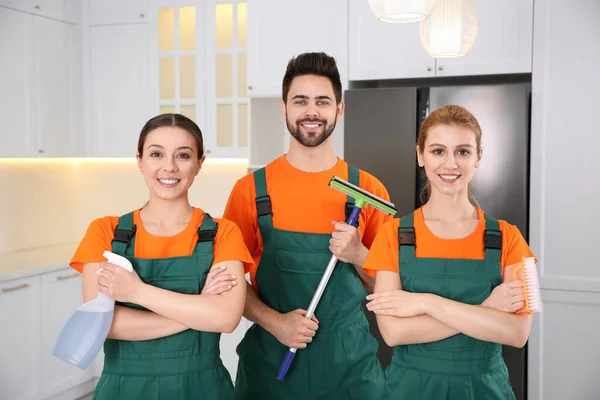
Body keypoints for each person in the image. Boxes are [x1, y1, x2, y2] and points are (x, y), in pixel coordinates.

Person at [223, 52, 391, 399]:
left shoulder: (368, 191)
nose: (311, 111)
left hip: (351, 370)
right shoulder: (251, 192)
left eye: (322, 101)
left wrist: (359, 254)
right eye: (300, 101)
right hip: (270, 369)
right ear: (284, 108)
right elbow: (229, 281)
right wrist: (275, 322)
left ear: (339, 110)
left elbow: (389, 290)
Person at [69, 113, 253, 400]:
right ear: (140, 161)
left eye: (183, 155)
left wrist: (136, 292)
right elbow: (101, 324)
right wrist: (198, 310)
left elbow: (226, 318)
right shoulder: (105, 232)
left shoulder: (222, 233)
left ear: (199, 163)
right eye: (157, 154)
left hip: (202, 388)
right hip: (124, 390)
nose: (169, 167)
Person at [363, 104, 536, 400]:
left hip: (485, 390)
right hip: (409, 390)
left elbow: (519, 334)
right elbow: (393, 333)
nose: (450, 164)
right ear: (420, 155)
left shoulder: (513, 238)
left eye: (463, 151)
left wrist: (427, 303)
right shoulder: (391, 235)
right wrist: (488, 309)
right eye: (438, 151)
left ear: (478, 157)